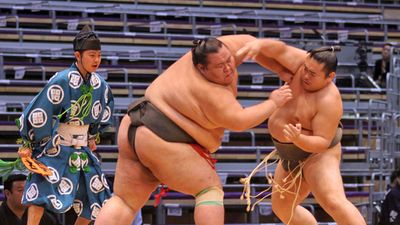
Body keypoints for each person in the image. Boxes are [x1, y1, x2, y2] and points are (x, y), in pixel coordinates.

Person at [95, 35, 293, 225]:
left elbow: (252, 44)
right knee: (209, 189)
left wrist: (279, 68)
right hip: (162, 138)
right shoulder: (212, 94)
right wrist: (273, 102)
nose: (228, 68)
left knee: (125, 202)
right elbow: (240, 121)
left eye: (229, 60)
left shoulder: (219, 48)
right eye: (219, 66)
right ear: (201, 68)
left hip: (134, 125)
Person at [237, 39, 366, 224]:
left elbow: (321, 142)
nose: (305, 75)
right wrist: (260, 45)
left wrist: (299, 138)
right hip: (290, 154)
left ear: (329, 77)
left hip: (318, 155)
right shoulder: (302, 62)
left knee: (333, 202)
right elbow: (279, 50)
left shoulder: (329, 100)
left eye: (313, 74)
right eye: (306, 69)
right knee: (282, 209)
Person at [15, 24, 114, 225]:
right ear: (78, 55)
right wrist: (28, 141)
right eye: (92, 55)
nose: (96, 60)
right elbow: (39, 110)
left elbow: (102, 113)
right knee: (41, 192)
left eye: (99, 55)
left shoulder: (101, 85)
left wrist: (93, 136)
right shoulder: (62, 79)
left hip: (83, 148)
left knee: (95, 196)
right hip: (57, 147)